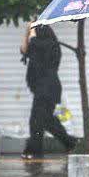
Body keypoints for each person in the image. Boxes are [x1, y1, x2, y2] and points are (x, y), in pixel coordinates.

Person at [20, 24, 76, 158]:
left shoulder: (49, 44)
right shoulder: (37, 45)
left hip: (48, 88)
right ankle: (70, 142)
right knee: (47, 120)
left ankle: (33, 150)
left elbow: (35, 45)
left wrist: (32, 33)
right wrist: (26, 33)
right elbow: (24, 50)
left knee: (36, 120)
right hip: (42, 88)